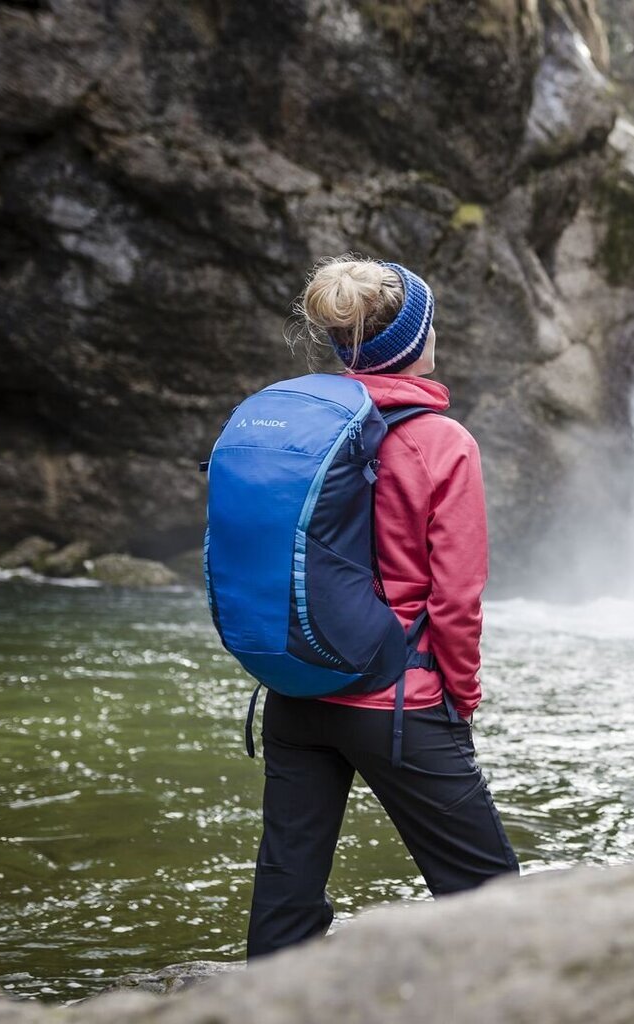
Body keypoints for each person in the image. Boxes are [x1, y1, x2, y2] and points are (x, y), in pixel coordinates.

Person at [246, 253, 519, 958]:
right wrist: (461, 698)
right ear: (415, 344)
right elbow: (455, 600)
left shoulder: (304, 429)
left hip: (297, 692)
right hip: (400, 703)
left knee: (285, 904)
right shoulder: (442, 442)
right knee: (499, 905)